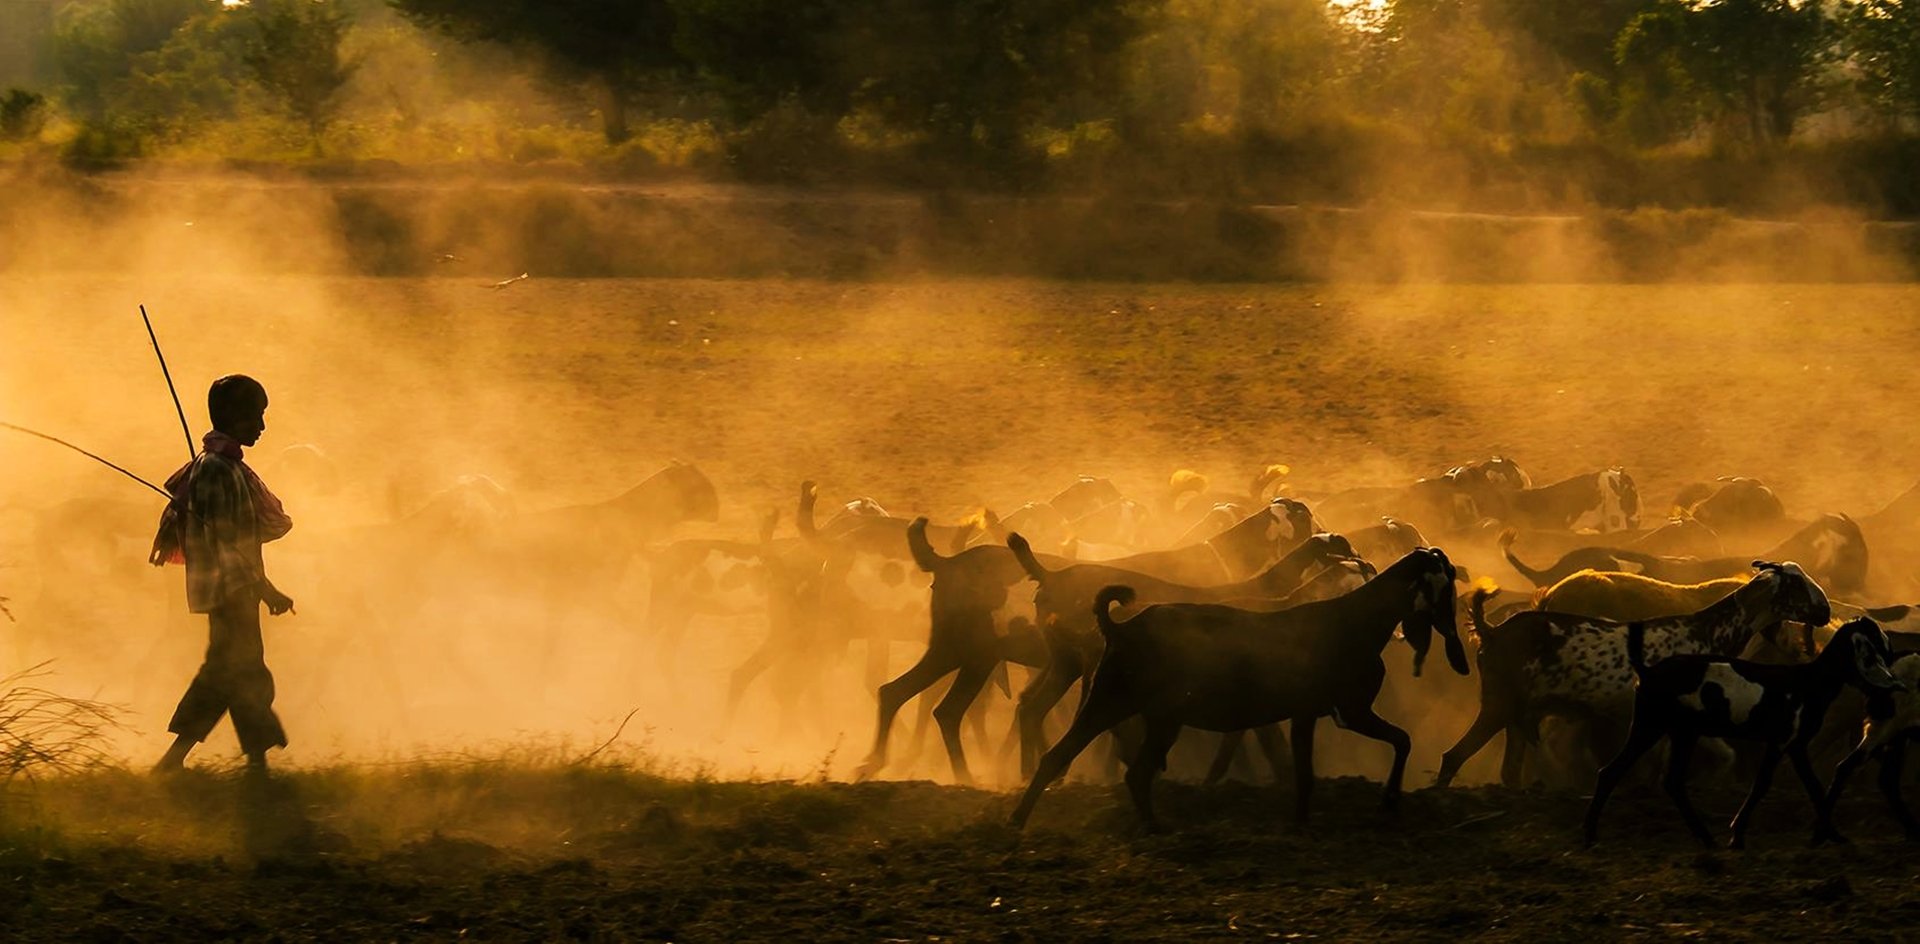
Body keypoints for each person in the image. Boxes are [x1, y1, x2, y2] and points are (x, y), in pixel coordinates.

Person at [151, 374, 296, 773]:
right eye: (255, 416)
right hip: (231, 590)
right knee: (236, 673)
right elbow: (230, 545)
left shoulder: (221, 465)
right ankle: (246, 763)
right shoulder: (217, 469)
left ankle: (251, 763)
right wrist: (266, 590)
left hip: (233, 589)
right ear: (232, 416)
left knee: (235, 671)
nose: (262, 426)